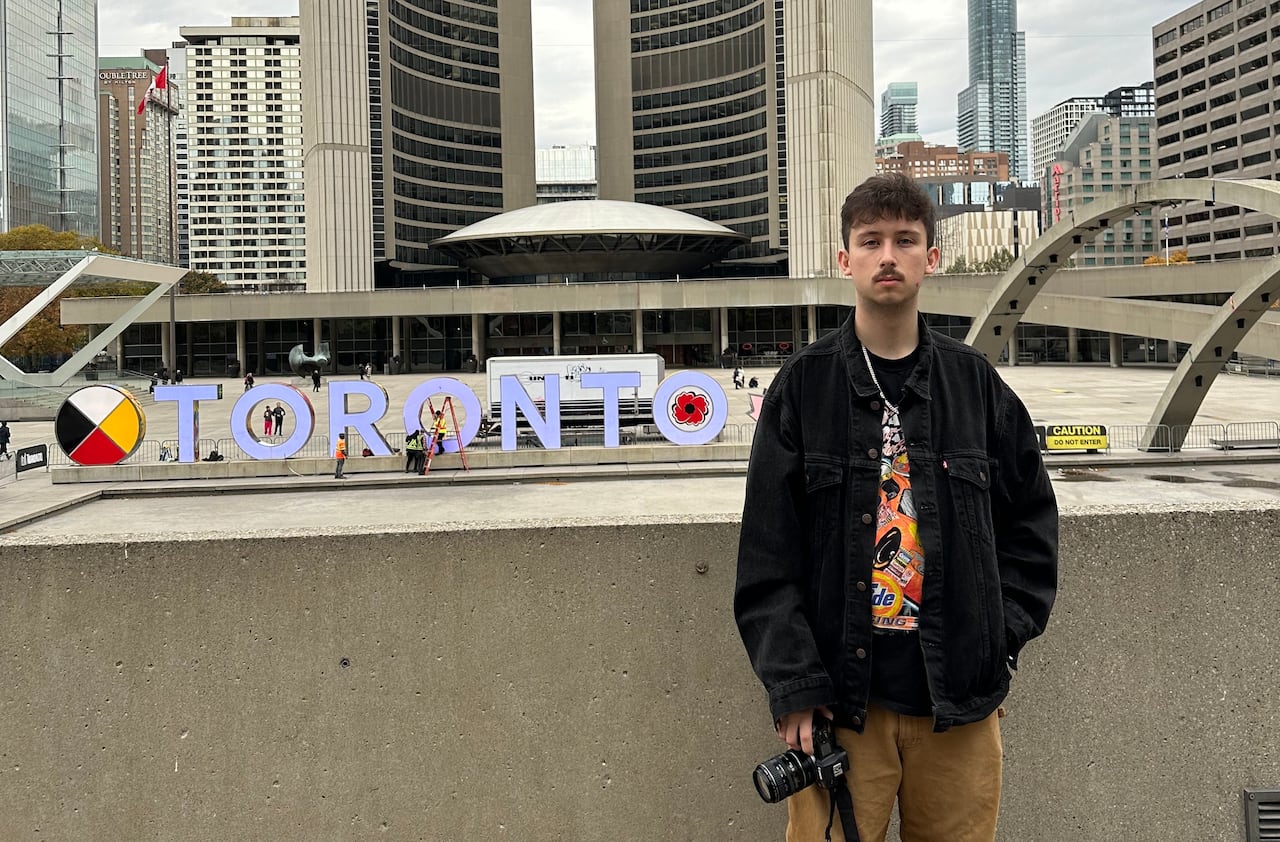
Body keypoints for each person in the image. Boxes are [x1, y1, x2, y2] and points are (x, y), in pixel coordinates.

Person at [733, 173, 1059, 842]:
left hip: (958, 705)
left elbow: (1032, 528)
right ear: (845, 258)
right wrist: (794, 684)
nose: (889, 255)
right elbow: (768, 553)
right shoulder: (804, 386)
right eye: (871, 240)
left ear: (931, 258)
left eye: (906, 240)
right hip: (842, 709)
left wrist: (997, 647)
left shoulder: (977, 387)